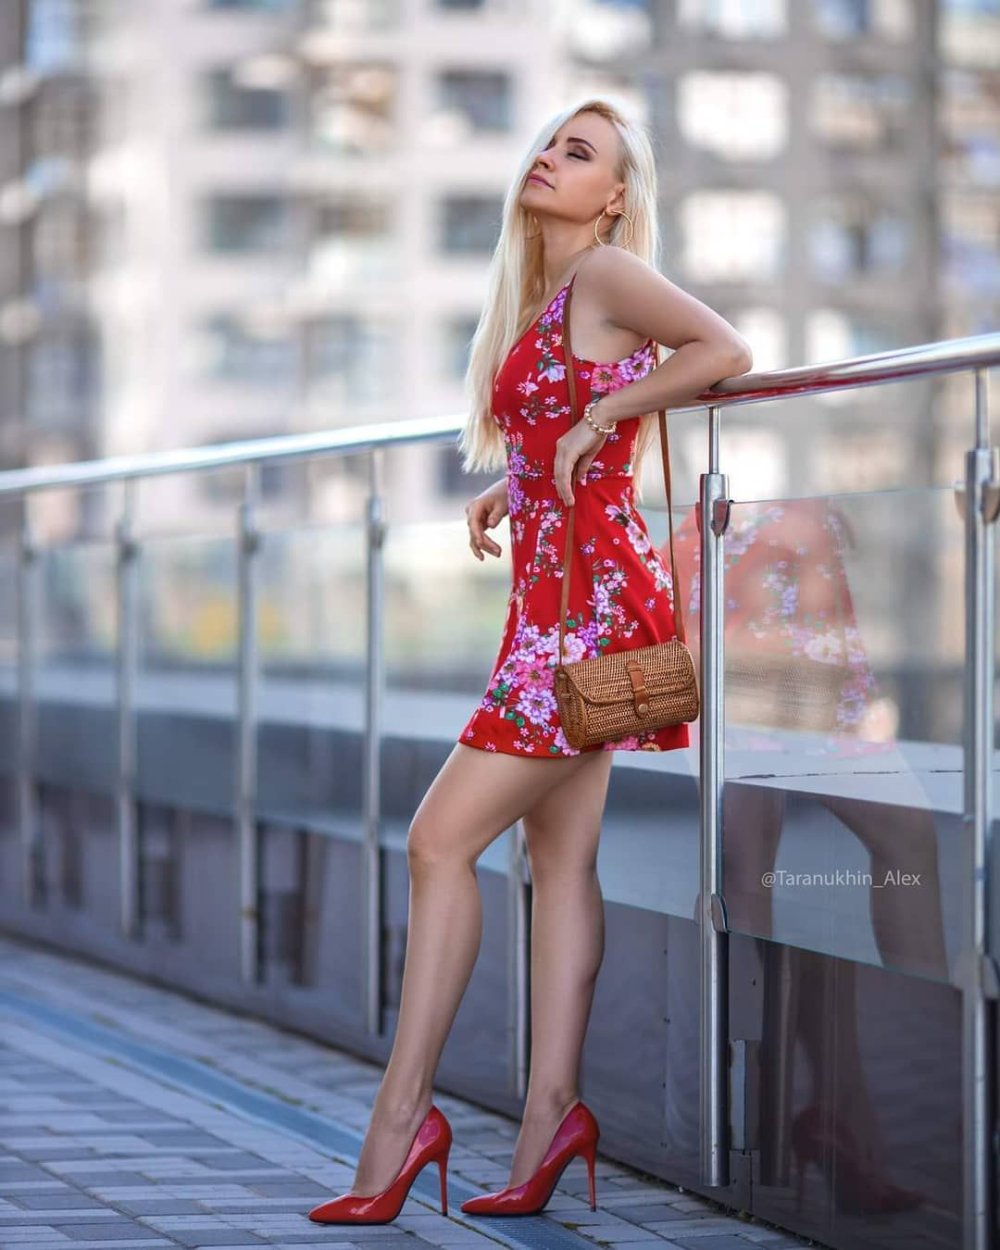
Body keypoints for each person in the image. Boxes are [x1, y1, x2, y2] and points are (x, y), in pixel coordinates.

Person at [308, 96, 753, 1226]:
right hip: (553, 609)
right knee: (557, 863)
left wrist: (606, 415)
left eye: (581, 152)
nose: (550, 158)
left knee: (437, 839)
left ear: (614, 197)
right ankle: (553, 1110)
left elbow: (725, 349)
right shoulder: (546, 299)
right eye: (551, 142)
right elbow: (558, 437)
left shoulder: (607, 276)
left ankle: (401, 1123)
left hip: (591, 621)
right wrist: (509, 483)